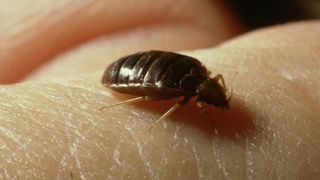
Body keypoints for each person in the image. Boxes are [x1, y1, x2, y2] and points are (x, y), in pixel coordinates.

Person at [0, 1, 319, 179]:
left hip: (149, 66)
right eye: (215, 98)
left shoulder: (197, 78)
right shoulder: (185, 90)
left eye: (216, 96)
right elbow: (158, 93)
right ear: (205, 94)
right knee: (151, 93)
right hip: (130, 73)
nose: (218, 98)